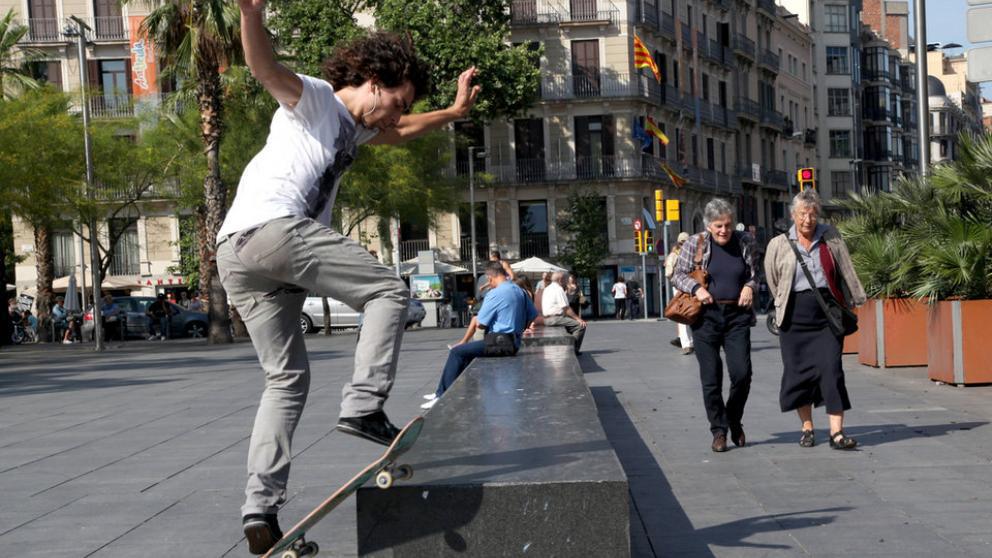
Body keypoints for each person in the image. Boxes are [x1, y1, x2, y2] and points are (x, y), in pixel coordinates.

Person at [219, 2, 481, 553]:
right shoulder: (313, 98)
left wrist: (452, 113)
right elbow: (264, 68)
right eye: (395, 101)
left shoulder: (356, 131)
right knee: (388, 291)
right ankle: (363, 404)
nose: (394, 115)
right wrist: (249, 14)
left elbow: (405, 131)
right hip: (274, 231)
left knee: (286, 380)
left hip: (236, 253)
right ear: (372, 81)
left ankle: (258, 507)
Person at [765, 189, 866, 450]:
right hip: (794, 318)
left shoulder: (830, 236)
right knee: (799, 374)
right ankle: (807, 428)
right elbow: (772, 278)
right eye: (802, 215)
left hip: (826, 316)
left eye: (812, 214)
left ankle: (837, 433)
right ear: (792, 216)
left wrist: (855, 299)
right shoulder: (779, 244)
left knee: (832, 371)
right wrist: (781, 303)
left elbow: (845, 268)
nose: (808, 220)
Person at [672, 199, 758, 453]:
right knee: (711, 378)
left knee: (742, 374)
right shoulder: (695, 243)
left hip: (737, 316)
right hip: (705, 317)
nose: (724, 230)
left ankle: (733, 417)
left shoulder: (745, 242)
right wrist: (697, 288)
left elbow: (756, 274)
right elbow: (678, 274)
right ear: (708, 225)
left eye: (728, 225)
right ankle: (719, 431)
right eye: (719, 226)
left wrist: (750, 287)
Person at [421, 261, 537, 410]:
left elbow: (481, 324)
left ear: (490, 278)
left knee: (457, 352)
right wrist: (520, 328)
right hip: (514, 342)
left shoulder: (494, 293)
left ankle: (440, 396)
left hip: (499, 343)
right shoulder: (518, 289)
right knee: (465, 353)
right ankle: (442, 390)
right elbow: (532, 315)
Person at [542, 271, 587, 355]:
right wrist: (579, 319)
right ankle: (573, 349)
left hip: (549, 317)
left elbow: (581, 298)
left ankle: (570, 346)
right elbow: (565, 308)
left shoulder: (547, 288)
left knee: (571, 324)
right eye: (566, 279)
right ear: (560, 280)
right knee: (580, 326)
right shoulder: (559, 289)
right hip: (558, 316)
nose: (566, 281)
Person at [665, 232, 694, 355]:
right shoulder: (693, 254)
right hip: (693, 287)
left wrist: (673, 279)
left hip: (678, 288)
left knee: (681, 315)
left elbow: (668, 272)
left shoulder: (673, 254)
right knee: (694, 313)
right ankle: (695, 341)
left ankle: (686, 344)